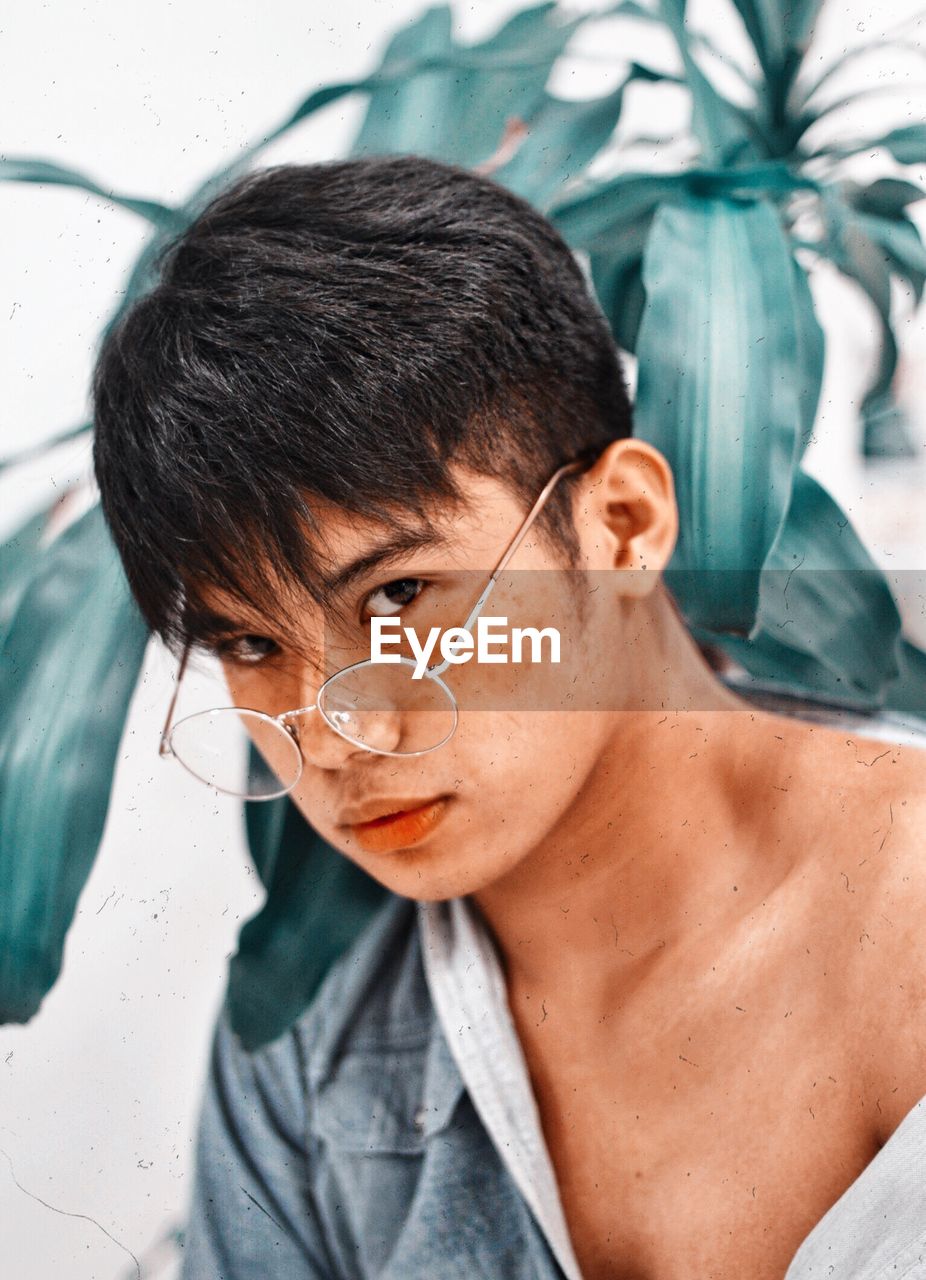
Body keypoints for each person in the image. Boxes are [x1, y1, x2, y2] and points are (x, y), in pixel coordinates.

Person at [91, 155, 926, 1280]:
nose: (333, 736)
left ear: (621, 523)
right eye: (252, 642)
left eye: (398, 596)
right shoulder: (307, 1045)